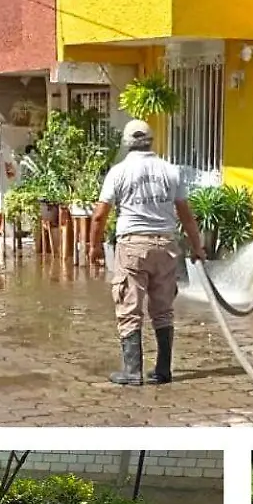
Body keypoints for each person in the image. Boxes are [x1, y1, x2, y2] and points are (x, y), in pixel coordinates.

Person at [89, 118, 205, 386]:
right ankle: (163, 370)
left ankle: (132, 371)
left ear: (127, 144)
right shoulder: (170, 170)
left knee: (129, 308)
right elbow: (186, 215)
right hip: (166, 246)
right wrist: (197, 248)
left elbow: (99, 215)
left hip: (132, 246)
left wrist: (94, 247)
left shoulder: (118, 172)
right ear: (151, 141)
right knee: (163, 309)